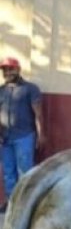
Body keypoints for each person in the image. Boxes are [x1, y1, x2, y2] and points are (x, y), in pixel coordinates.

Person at [0, 57, 45, 211]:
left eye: (10, 69)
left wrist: (41, 134)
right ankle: (11, 203)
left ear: (18, 69)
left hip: (25, 136)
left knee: (25, 171)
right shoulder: (1, 90)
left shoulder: (30, 89)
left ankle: (26, 204)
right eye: (4, 70)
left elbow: (38, 114)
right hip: (5, 138)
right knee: (8, 172)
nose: (7, 72)